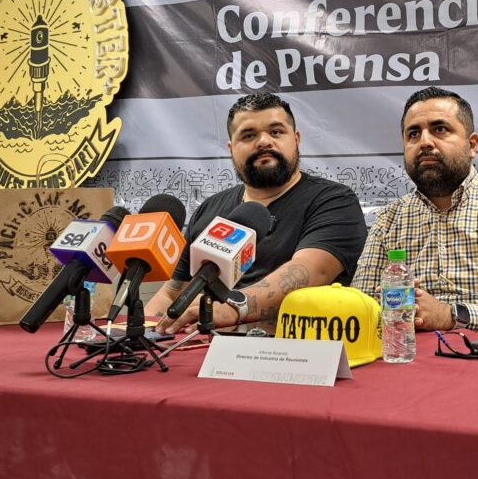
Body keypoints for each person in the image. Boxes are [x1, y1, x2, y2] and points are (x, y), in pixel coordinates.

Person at [147, 93, 367, 334]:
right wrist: (138, 332)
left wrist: (232, 308)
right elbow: (172, 292)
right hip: (201, 351)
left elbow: (310, 271)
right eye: (249, 135)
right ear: (231, 148)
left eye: (276, 132)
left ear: (296, 139)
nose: (263, 142)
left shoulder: (333, 201)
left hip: (291, 353)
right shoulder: (210, 209)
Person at [352, 87, 478, 335]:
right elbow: (360, 311)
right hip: (406, 360)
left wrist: (450, 315)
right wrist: (388, 308)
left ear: (471, 145)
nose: (425, 142)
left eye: (440, 129)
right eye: (413, 134)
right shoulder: (389, 218)